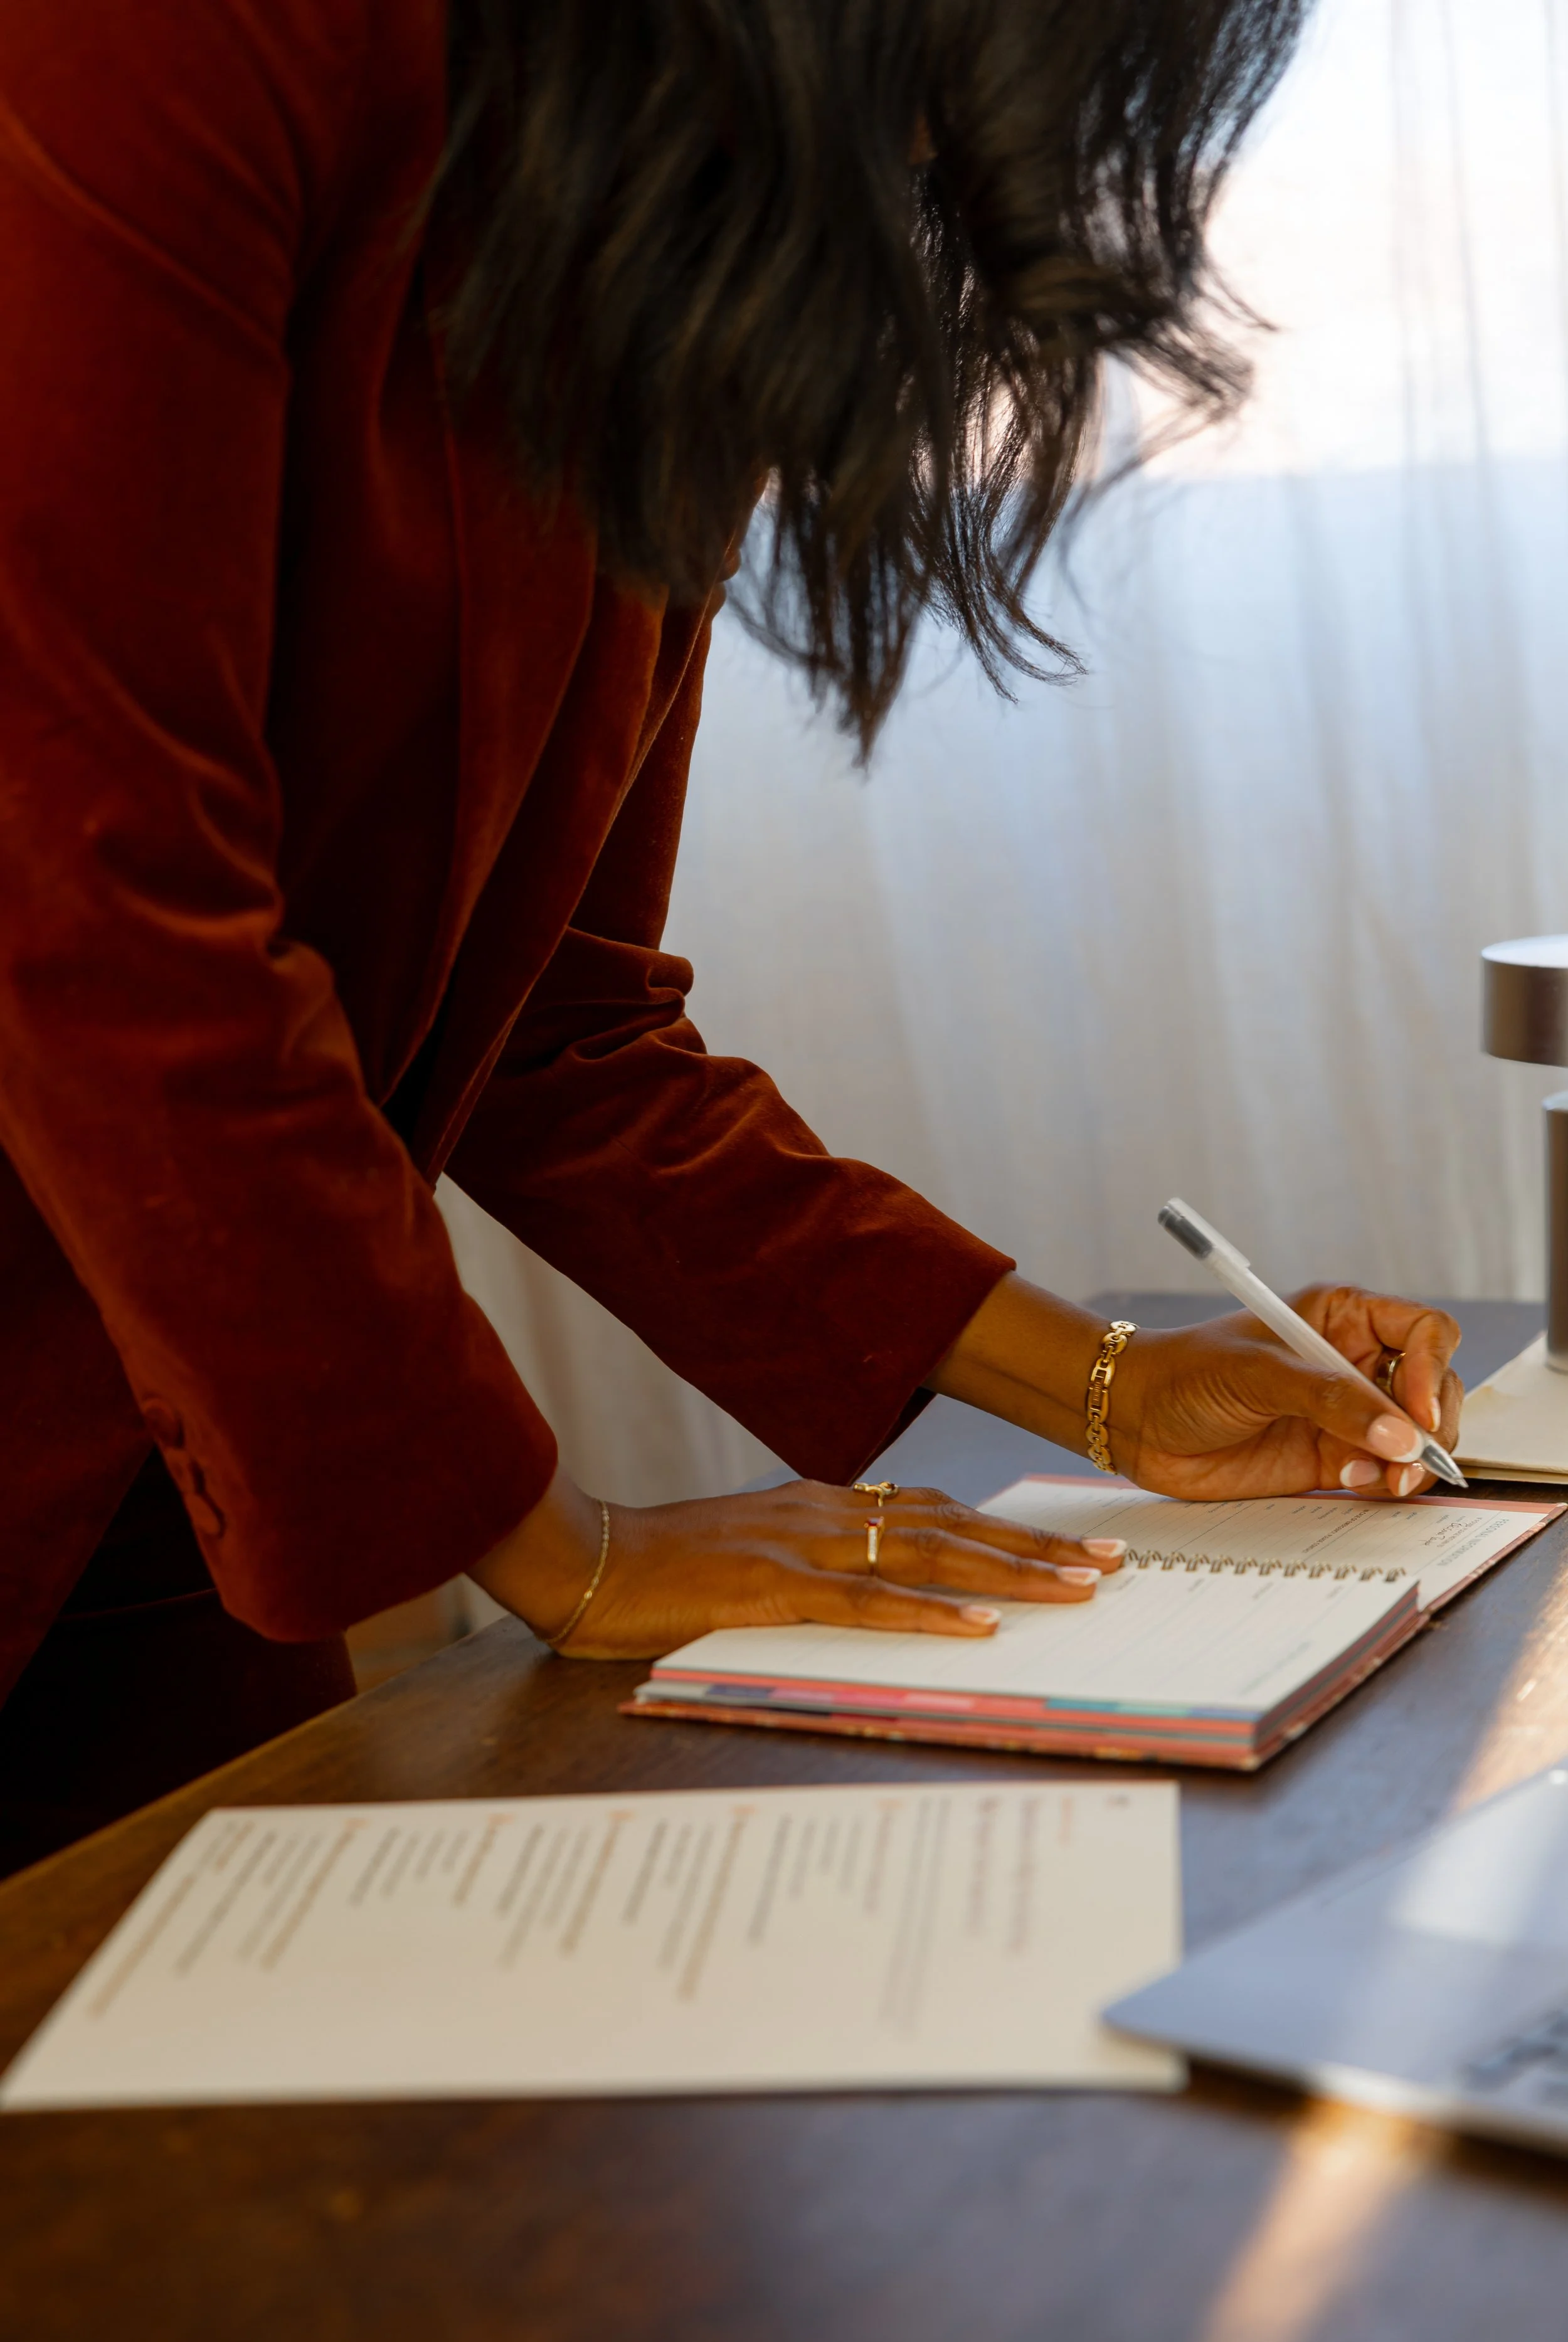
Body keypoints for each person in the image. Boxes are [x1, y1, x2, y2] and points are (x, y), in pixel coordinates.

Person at [0, 0, 1460, 1872]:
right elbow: (84, 902)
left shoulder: (674, 245)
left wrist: (1108, 1382)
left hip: (143, 1445)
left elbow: (559, 1023)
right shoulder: (173, 54)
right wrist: (562, 1547)